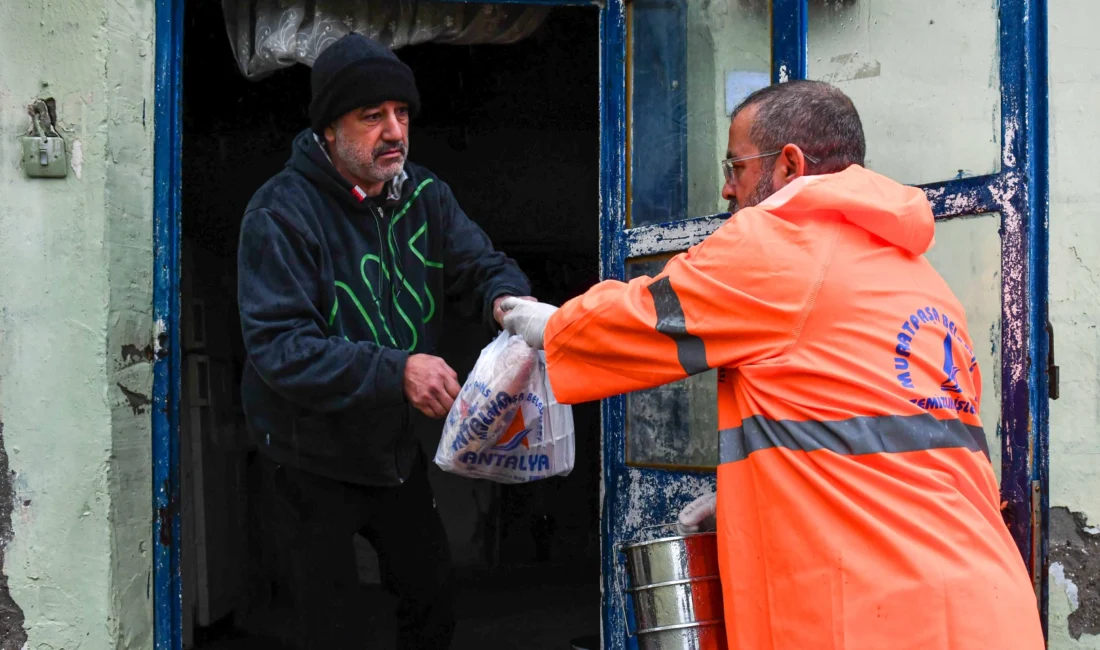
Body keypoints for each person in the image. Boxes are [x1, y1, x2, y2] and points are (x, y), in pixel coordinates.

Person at [502, 80, 1044, 649]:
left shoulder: (783, 239)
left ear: (789, 165)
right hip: (984, 609)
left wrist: (548, 325)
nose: (726, 187)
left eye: (736, 166)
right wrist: (753, 490)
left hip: (881, 616)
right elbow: (881, 442)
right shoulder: (920, 281)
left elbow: (643, 317)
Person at [237, 33, 532, 649]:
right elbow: (279, 347)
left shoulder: (425, 196)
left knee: (431, 603)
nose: (394, 131)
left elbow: (480, 263)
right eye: (372, 117)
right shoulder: (280, 213)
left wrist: (508, 303)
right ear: (328, 129)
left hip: (389, 454)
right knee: (325, 627)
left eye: (401, 114)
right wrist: (397, 371)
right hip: (304, 455)